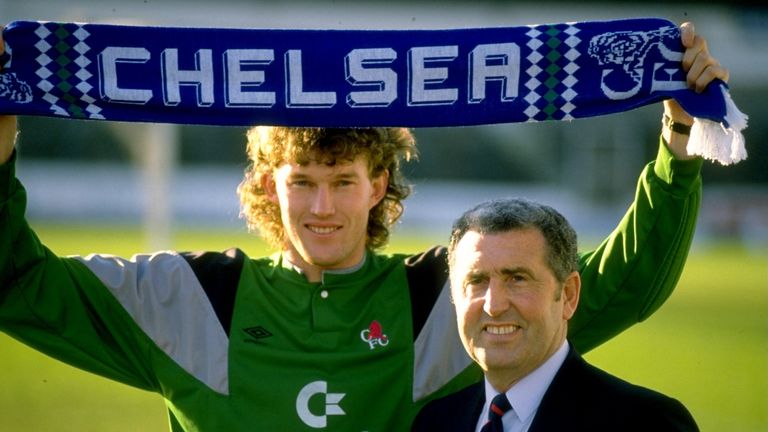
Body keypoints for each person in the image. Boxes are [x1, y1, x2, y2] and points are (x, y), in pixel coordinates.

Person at [0, 21, 725, 431]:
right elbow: (17, 283)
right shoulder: (182, 295)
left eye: (344, 182)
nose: (322, 208)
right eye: (302, 183)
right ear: (264, 185)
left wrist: (678, 144)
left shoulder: (454, 302)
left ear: (378, 184)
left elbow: (623, 285)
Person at [411, 198, 699, 431]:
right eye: (477, 281)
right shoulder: (435, 422)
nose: (493, 305)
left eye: (517, 278)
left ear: (569, 295)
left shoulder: (647, 423)